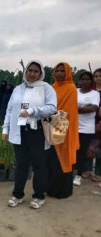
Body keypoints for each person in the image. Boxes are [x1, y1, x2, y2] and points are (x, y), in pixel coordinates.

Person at [2, 60, 57, 209]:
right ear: (25, 71)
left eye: (36, 71)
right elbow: (10, 110)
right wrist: (5, 129)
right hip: (19, 130)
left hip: (37, 131)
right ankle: (17, 194)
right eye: (30, 70)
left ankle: (39, 196)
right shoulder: (18, 89)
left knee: (39, 165)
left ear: (41, 73)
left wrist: (33, 111)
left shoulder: (46, 88)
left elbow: (52, 108)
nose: (32, 74)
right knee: (21, 165)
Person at [47, 63, 79, 198]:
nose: (59, 73)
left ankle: (63, 191)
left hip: (63, 128)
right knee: (51, 160)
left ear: (67, 73)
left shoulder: (71, 88)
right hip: (49, 125)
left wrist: (57, 124)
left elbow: (69, 111)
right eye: (57, 71)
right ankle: (50, 189)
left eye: (62, 71)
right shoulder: (51, 87)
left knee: (63, 158)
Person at [73, 71, 100, 186]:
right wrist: (84, 107)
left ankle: (79, 175)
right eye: (83, 79)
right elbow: (69, 105)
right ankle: (72, 172)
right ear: (80, 81)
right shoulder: (75, 91)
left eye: (88, 79)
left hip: (87, 128)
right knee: (74, 151)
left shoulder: (95, 94)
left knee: (83, 152)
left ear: (91, 81)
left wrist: (75, 108)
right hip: (73, 125)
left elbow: (93, 108)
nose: (85, 81)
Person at [93, 68, 101, 187]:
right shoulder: (91, 90)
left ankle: (99, 173)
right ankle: (88, 170)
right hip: (90, 122)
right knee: (92, 146)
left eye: (100, 76)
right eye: (96, 76)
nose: (98, 78)